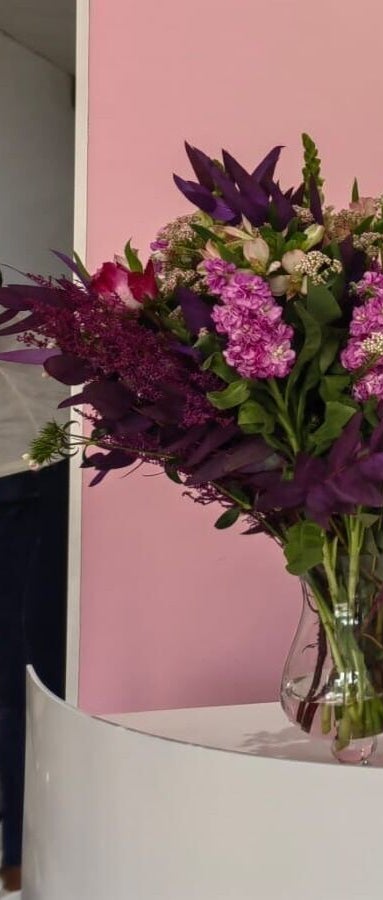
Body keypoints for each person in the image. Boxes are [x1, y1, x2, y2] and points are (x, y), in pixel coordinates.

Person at [0, 276, 71, 894]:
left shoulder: (36, 336)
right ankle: (19, 848)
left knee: (21, 679)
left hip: (31, 495)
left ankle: (20, 849)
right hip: (33, 489)